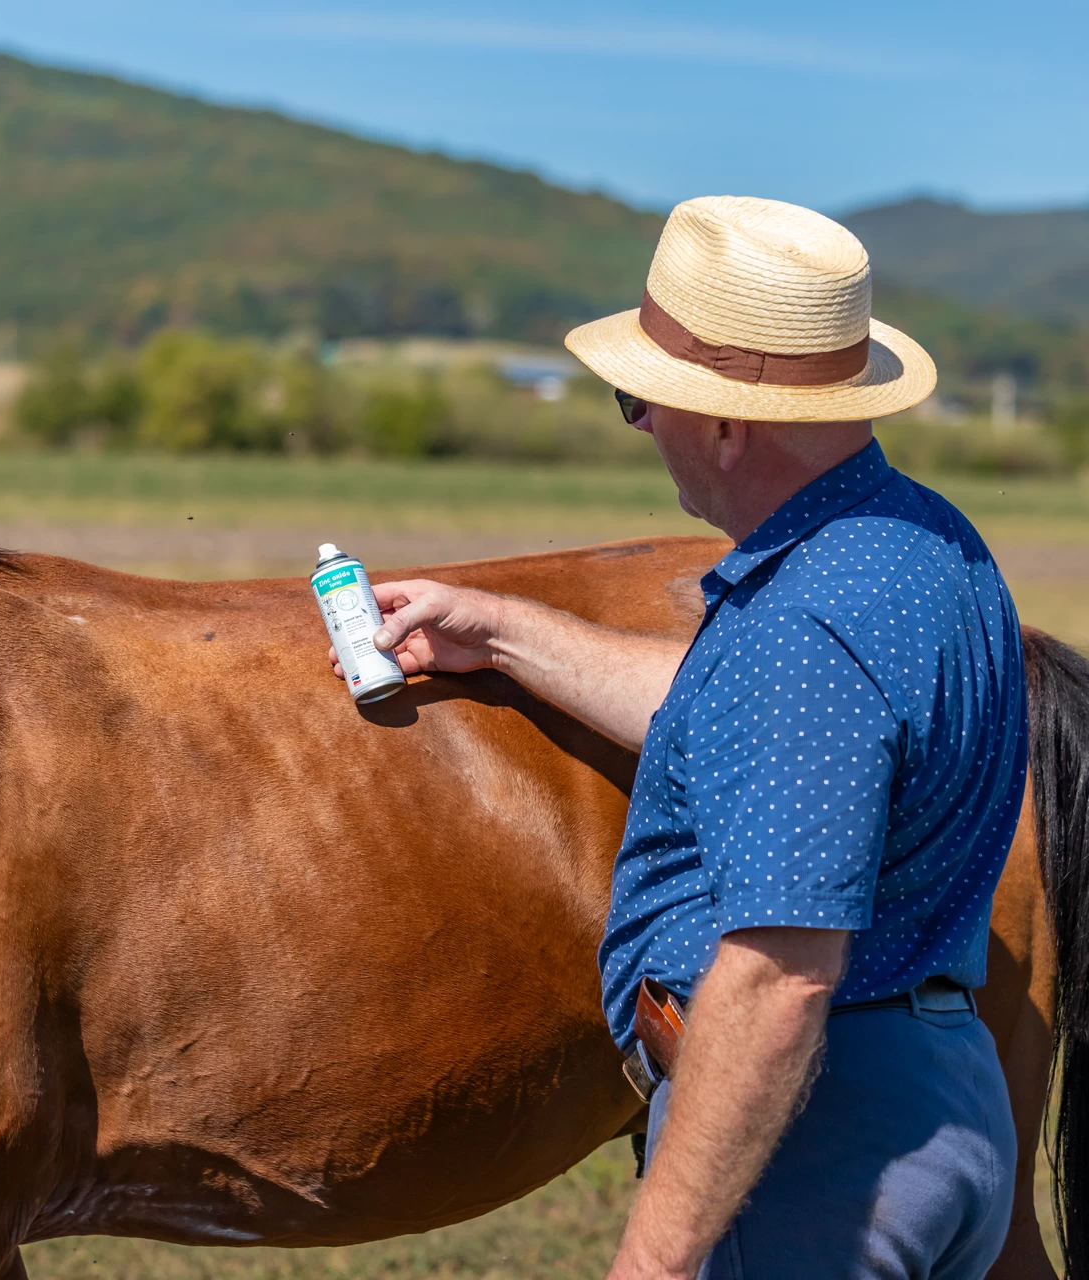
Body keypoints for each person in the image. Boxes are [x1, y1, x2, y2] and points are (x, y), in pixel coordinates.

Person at [328, 196, 1027, 1279]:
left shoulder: (803, 626)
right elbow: (761, 729)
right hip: (942, 1099)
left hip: (819, 1143)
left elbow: (779, 975)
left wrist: (652, 1258)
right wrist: (507, 633)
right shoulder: (923, 541)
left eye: (637, 399)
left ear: (723, 422)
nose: (643, 425)